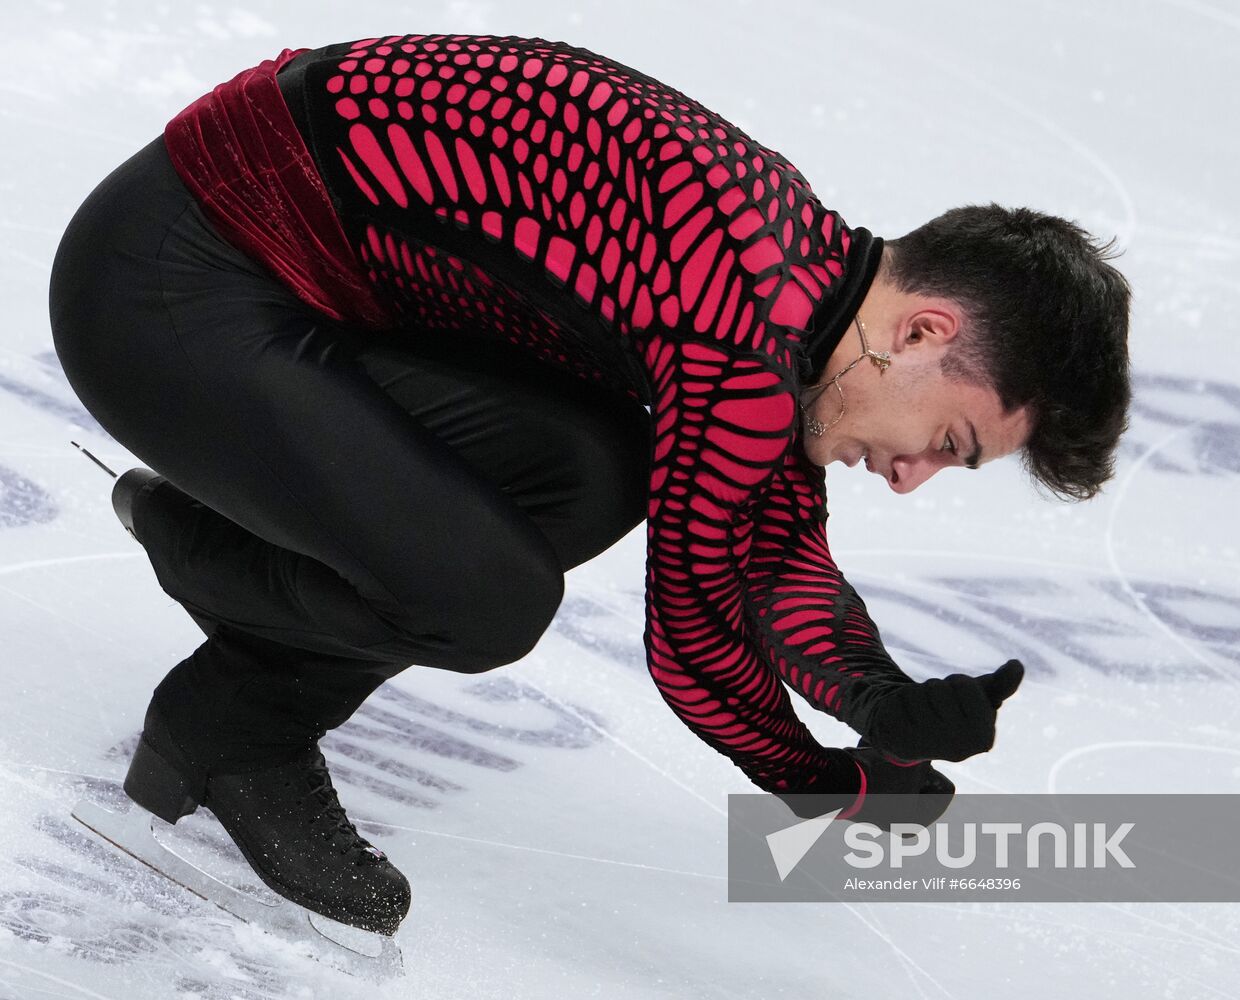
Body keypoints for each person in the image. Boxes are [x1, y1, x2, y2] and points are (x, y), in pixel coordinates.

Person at [48, 32, 1131, 937]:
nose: (910, 478)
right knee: (488, 600)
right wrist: (819, 780)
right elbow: (696, 628)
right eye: (948, 438)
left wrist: (877, 695)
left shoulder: (792, 282)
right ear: (921, 332)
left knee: (594, 471)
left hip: (296, 295)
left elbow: (773, 545)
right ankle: (201, 549)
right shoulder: (748, 313)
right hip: (165, 284)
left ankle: (234, 717)